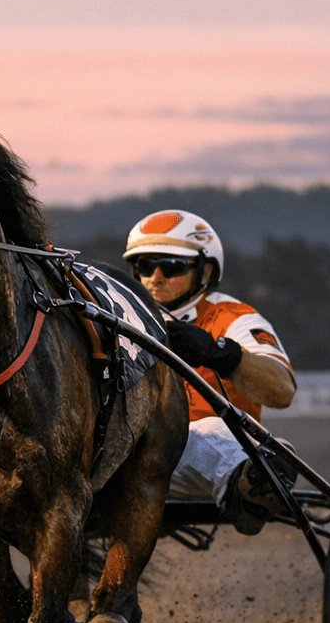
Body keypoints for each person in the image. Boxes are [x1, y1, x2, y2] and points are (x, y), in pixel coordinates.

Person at [125, 210, 298, 533]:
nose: (155, 277)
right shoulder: (118, 320)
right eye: (144, 266)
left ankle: (254, 481)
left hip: (195, 456)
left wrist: (220, 354)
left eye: (172, 266)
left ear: (205, 270)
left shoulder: (234, 318)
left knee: (207, 431)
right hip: (128, 456)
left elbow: (282, 391)